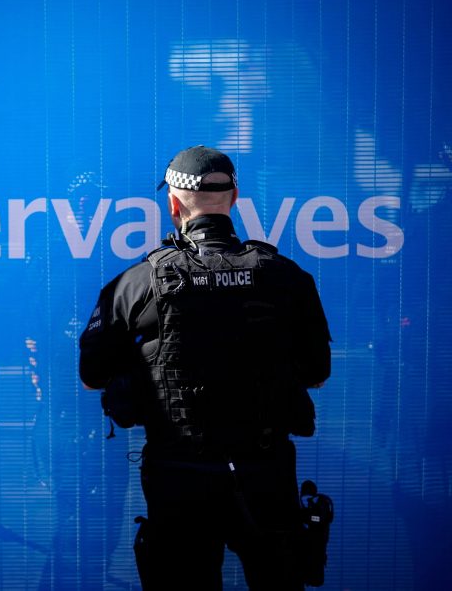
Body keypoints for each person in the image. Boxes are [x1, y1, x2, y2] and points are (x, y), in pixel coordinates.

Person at [78, 145, 331, 590]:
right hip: (266, 475)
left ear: (173, 204)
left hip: (179, 480)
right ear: (235, 198)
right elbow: (317, 372)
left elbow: (91, 375)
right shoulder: (287, 277)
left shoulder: (136, 283)